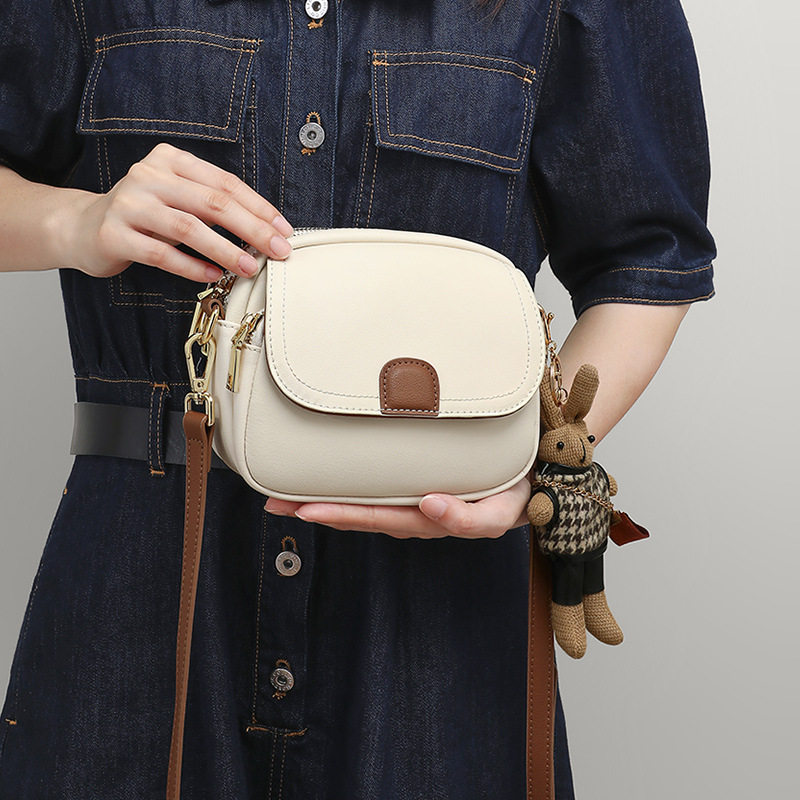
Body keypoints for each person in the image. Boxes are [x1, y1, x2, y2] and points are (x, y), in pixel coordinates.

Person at [0, 0, 715, 797]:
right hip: (141, 589)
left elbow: (649, 260)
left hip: (437, 618)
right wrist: (76, 220)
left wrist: (534, 464)